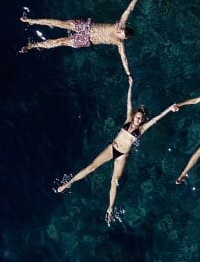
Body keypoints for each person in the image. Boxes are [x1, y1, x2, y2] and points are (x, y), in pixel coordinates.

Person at [55, 94, 175, 223]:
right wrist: (130, 84)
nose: (138, 120)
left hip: (122, 156)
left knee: (114, 181)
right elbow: (128, 101)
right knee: (91, 167)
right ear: (134, 116)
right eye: (137, 118)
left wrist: (169, 109)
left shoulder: (141, 129)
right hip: (112, 148)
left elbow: (156, 119)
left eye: (141, 119)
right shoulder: (128, 120)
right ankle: (68, 183)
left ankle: (110, 209)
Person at [19, 16, 135, 85]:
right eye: (121, 30)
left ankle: (32, 46)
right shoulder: (119, 24)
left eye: (122, 34)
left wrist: (128, 74)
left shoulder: (119, 42)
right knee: (61, 23)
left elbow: (123, 58)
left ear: (124, 38)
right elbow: (129, 8)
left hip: (85, 39)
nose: (119, 32)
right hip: (86, 26)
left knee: (60, 42)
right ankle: (32, 20)